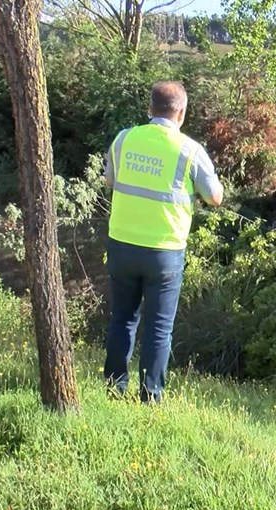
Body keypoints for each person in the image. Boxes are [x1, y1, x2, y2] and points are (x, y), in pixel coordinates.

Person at [103, 81, 224, 403]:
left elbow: (110, 180)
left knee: (122, 319)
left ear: (149, 108)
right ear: (181, 113)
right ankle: (151, 396)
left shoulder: (124, 139)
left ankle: (113, 389)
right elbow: (214, 197)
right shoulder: (189, 150)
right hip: (165, 251)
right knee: (158, 328)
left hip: (122, 243)